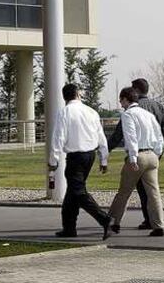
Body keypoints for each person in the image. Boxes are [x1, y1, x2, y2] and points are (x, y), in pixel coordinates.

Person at [108, 78, 164, 230]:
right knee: (153, 193)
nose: (120, 104)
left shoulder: (129, 113)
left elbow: (128, 137)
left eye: (121, 100)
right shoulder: (155, 109)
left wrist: (130, 157)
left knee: (124, 191)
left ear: (132, 94)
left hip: (138, 155)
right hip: (152, 155)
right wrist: (162, 150)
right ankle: (158, 225)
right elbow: (162, 131)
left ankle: (112, 222)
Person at [48, 83, 112, 240]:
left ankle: (105, 219)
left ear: (64, 97)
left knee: (78, 191)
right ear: (78, 94)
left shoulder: (65, 112)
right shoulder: (91, 112)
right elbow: (101, 137)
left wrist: (53, 159)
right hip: (90, 155)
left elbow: (58, 137)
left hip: (75, 156)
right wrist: (103, 159)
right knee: (72, 193)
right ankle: (69, 227)